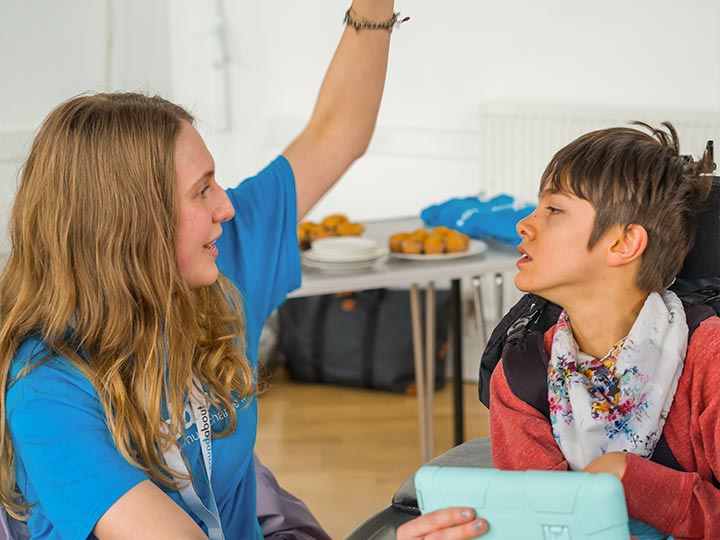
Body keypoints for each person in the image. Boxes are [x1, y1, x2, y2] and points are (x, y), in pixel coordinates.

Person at [0, 2, 402, 538]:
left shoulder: (214, 261)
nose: (226, 208)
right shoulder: (47, 387)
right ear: (132, 226)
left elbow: (339, 132)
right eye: (202, 190)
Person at [397, 123, 718, 540]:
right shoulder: (521, 374)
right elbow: (538, 529)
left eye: (554, 210)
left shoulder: (708, 358)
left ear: (623, 244)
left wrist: (629, 480)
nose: (524, 225)